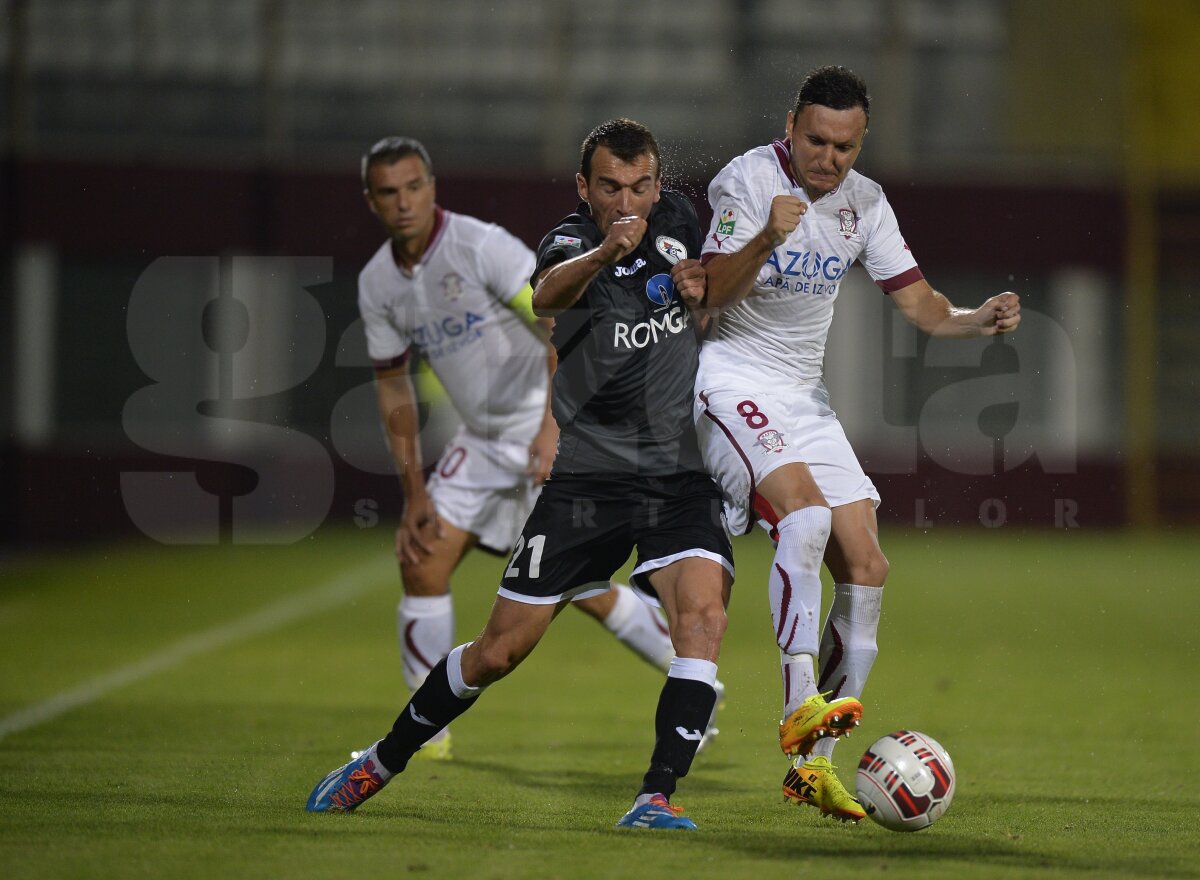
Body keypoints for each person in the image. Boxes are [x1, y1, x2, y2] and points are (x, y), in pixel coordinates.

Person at [308, 119, 796, 830]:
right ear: (583, 187)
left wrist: (710, 282)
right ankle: (380, 761)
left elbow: (717, 292)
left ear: (658, 184)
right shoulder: (568, 242)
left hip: (674, 470)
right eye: (609, 187)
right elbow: (546, 298)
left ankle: (655, 797)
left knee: (702, 616)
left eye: (639, 186)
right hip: (588, 479)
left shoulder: (683, 219)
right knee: (500, 650)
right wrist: (606, 251)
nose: (626, 200)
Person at [695, 66, 1021, 821]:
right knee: (804, 520)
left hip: (805, 399)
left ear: (860, 141)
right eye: (817, 140)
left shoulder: (865, 203)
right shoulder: (745, 182)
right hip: (732, 379)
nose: (830, 158)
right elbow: (709, 292)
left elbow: (922, 306)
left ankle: (813, 768)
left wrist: (977, 318)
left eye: (845, 145)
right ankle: (800, 702)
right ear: (791, 126)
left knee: (868, 567)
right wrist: (769, 235)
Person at [354, 136, 691, 761]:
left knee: (576, 586)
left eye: (413, 187)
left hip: (545, 423)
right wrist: (415, 492)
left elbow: (555, 317)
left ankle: (690, 671)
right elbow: (391, 383)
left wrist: (549, 423)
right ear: (370, 201)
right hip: (482, 440)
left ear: (432, 187)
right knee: (422, 559)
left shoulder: (477, 246)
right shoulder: (377, 283)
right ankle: (430, 734)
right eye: (388, 192)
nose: (404, 203)